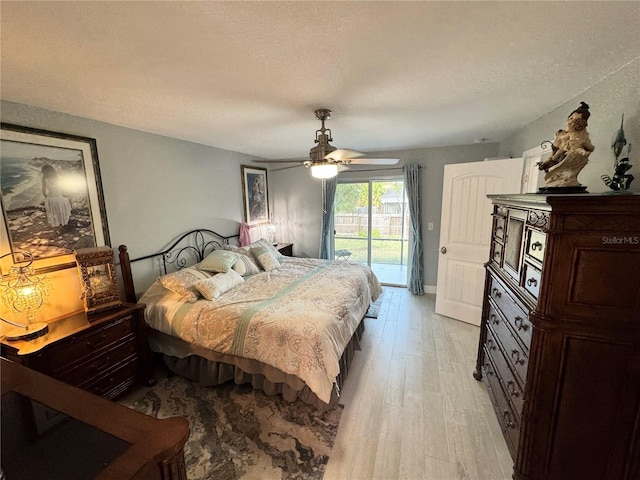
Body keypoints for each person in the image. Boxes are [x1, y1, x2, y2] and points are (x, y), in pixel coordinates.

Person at [537, 102, 594, 188]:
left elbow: (589, 148)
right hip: (557, 154)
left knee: (558, 170)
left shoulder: (579, 135)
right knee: (551, 169)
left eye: (575, 120)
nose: (571, 121)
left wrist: (581, 146)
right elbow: (555, 151)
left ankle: (563, 180)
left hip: (565, 156)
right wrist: (550, 159)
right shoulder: (562, 133)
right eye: (571, 118)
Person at [41, 164, 72, 229]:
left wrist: (47, 197)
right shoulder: (58, 178)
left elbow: (44, 192)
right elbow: (63, 189)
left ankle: (57, 224)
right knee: (64, 202)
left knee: (53, 210)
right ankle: (62, 223)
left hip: (50, 199)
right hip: (60, 199)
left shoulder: (45, 179)